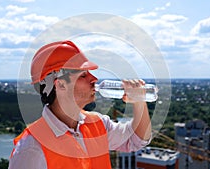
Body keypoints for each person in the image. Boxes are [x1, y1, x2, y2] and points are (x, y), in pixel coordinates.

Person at [9, 40, 152, 169]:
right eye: (83, 75)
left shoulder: (97, 124)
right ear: (61, 85)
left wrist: (139, 102)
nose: (94, 79)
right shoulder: (31, 149)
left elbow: (138, 140)